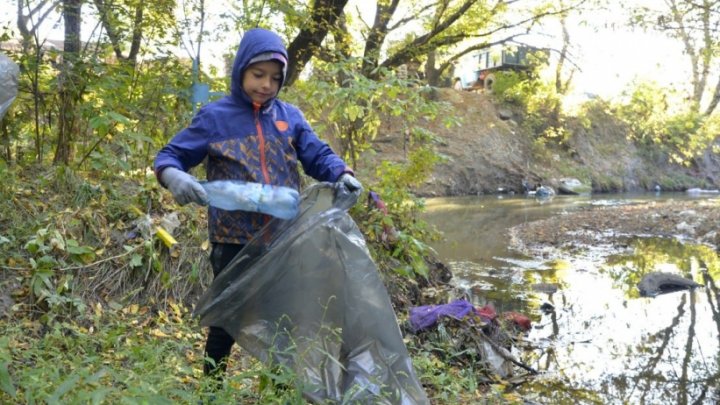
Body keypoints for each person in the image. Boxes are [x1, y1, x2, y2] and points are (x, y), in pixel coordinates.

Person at [153, 28, 363, 380]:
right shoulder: (215, 117)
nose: (265, 84)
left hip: (284, 238)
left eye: (274, 78)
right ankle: (212, 385)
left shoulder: (289, 117)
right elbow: (171, 155)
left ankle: (281, 388)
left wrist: (341, 173)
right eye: (257, 74)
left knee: (284, 318)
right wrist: (174, 176)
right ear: (240, 71)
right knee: (226, 318)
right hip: (232, 240)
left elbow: (316, 154)